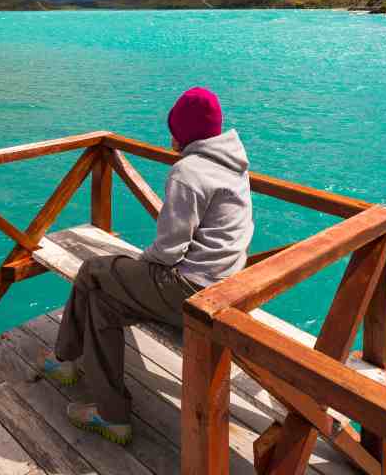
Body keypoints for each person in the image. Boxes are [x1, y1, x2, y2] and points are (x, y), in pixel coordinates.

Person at [43, 87, 254, 445]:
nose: (170, 136)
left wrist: (137, 267)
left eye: (174, 128)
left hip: (190, 289)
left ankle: (66, 362)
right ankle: (110, 415)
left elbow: (169, 250)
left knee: (93, 270)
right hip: (226, 284)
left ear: (185, 133)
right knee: (102, 302)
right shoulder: (234, 166)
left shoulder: (188, 171)